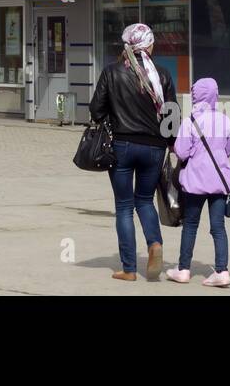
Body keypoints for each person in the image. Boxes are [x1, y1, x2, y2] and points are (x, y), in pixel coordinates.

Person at [88, 23, 177, 282]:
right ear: (148, 46)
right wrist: (172, 144)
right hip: (154, 148)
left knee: (124, 206)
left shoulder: (112, 72)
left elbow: (96, 109)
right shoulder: (162, 74)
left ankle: (128, 268)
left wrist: (113, 117)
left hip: (122, 146)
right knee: (145, 201)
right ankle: (154, 243)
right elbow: (172, 116)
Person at [168, 78, 230, 288]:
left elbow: (181, 152)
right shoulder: (225, 120)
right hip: (218, 181)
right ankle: (222, 271)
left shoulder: (190, 121)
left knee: (190, 225)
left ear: (196, 95)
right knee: (218, 227)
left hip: (195, 181)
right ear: (215, 95)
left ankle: (183, 269)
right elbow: (229, 150)